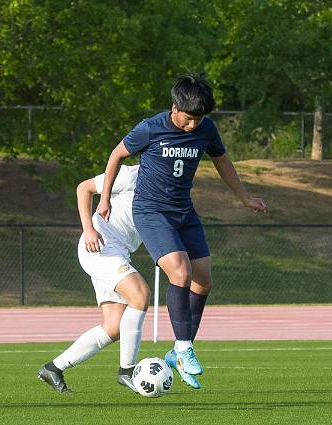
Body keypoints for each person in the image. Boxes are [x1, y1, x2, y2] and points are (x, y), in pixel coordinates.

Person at [96, 73, 267, 389]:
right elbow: (116, 155)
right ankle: (186, 346)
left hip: (184, 213)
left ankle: (178, 350)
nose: (193, 126)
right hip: (151, 212)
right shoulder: (150, 127)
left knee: (204, 279)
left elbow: (223, 163)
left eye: (198, 120)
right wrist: (105, 197)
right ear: (174, 108)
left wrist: (244, 198)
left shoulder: (206, 129)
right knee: (180, 271)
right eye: (188, 119)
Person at [38, 164, 148, 393]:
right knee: (140, 294)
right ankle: (127, 371)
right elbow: (83, 188)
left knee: (114, 327)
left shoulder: (167, 187)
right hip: (100, 247)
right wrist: (88, 229)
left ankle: (53, 368)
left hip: (120, 252)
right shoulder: (128, 175)